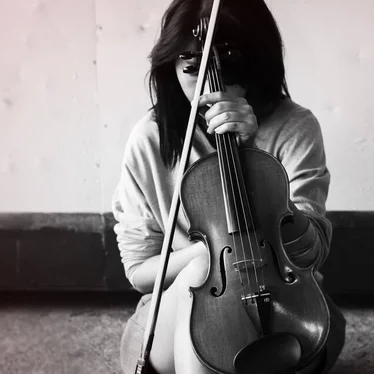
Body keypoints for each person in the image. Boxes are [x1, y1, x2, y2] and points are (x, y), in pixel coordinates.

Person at [111, 0, 346, 373]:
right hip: (173, 324)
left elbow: (311, 252)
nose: (208, 82)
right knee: (197, 274)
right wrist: (208, 256)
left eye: (230, 60)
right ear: (171, 65)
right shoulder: (149, 139)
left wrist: (251, 156)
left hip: (288, 308)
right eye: (191, 65)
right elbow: (139, 272)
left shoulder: (295, 126)